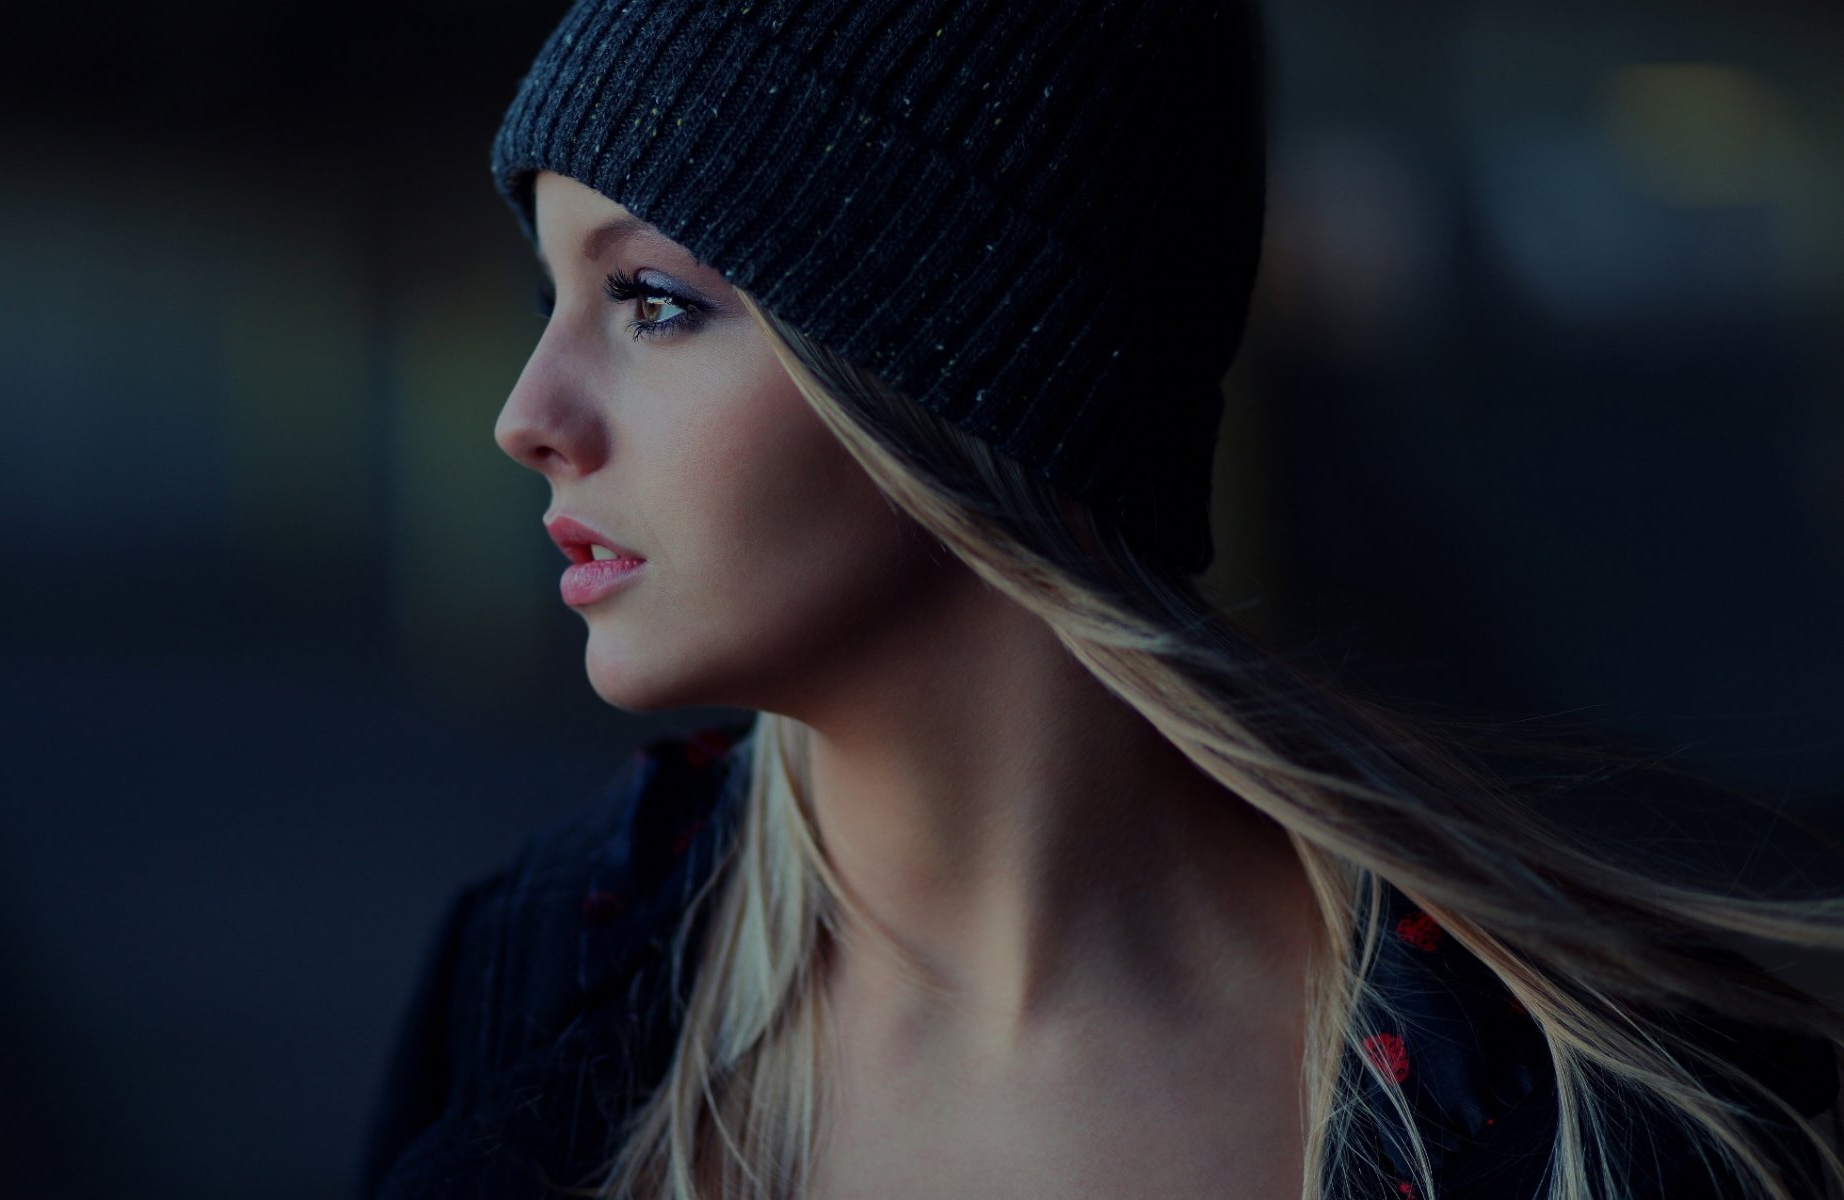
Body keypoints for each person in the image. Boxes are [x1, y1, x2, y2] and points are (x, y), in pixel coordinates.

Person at [358, 2, 1844, 1197]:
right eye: (551, 291)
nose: (527, 410)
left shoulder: (1586, 1114)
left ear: (961, 374)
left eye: (653, 301)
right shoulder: (537, 983)